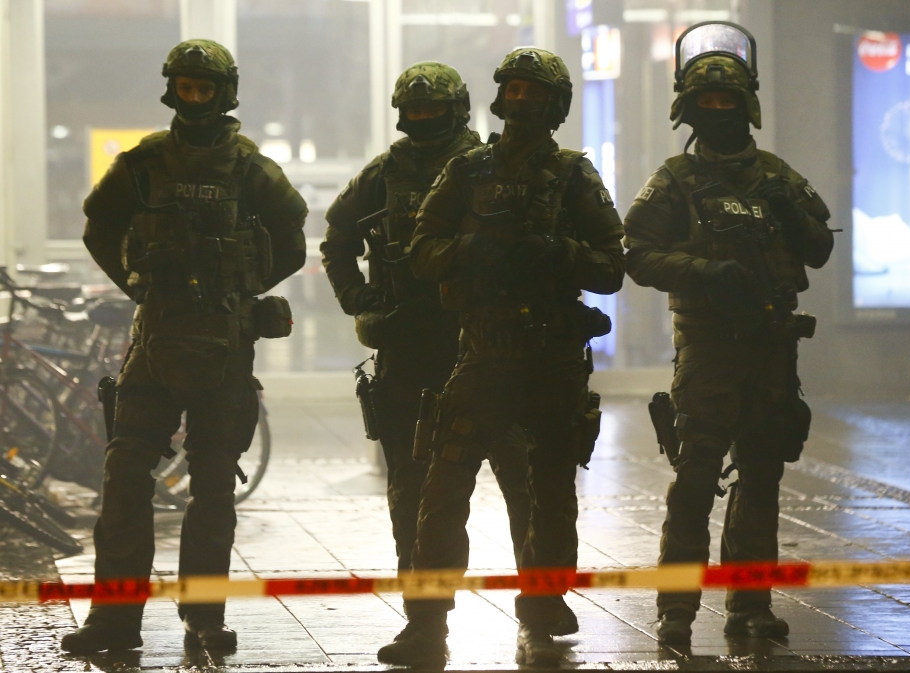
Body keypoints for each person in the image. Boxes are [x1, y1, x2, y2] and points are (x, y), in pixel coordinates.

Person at [376, 48, 625, 667]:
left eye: (533, 93)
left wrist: (553, 250)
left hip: (551, 359)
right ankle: (426, 620)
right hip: (482, 355)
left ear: (555, 104)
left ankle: (544, 602)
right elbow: (420, 251)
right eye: (513, 90)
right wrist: (473, 248)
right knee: (442, 488)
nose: (521, 102)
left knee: (548, 490)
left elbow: (612, 266)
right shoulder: (467, 171)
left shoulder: (573, 176)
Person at [61, 39, 307, 654]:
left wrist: (243, 290)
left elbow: (294, 237)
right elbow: (99, 226)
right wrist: (138, 285)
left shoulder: (251, 168)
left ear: (224, 92)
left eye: (205, 88)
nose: (194, 97)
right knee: (123, 476)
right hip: (155, 341)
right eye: (186, 86)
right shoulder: (143, 163)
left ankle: (204, 617)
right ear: (174, 89)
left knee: (214, 487)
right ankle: (114, 620)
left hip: (224, 347)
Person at [623, 22, 834, 647]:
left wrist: (789, 207)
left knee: (762, 478)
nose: (718, 112)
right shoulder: (674, 180)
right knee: (695, 480)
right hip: (708, 349)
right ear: (688, 109)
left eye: (728, 102)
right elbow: (635, 253)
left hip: (771, 351)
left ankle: (750, 606)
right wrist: (708, 271)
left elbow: (819, 250)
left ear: (748, 107)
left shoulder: (776, 176)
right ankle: (677, 609)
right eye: (706, 103)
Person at [320, 62, 532, 576]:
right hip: (409, 346)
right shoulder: (383, 175)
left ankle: (541, 597)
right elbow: (337, 242)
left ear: (456, 110)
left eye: (433, 108)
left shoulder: (493, 167)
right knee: (413, 488)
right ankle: (423, 608)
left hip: (488, 344)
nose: (423, 118)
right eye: (414, 110)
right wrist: (363, 302)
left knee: (524, 479)